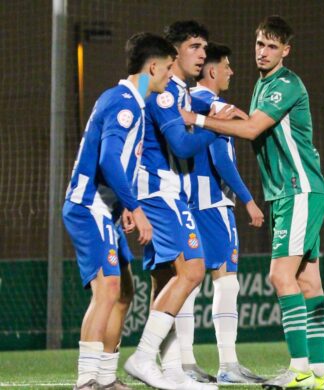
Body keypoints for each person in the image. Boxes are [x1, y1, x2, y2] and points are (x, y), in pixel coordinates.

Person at [179, 15, 324, 390]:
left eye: (272, 46)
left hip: (299, 190)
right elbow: (256, 122)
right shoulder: (263, 87)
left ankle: (298, 369)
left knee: (280, 276)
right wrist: (237, 115)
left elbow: (250, 131)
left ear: (286, 51)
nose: (263, 52)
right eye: (260, 44)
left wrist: (198, 120)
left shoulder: (285, 83)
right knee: (308, 283)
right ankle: (320, 374)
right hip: (286, 194)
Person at [63, 32, 174, 390]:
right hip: (88, 207)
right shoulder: (124, 102)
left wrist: (123, 207)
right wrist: (135, 207)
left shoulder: (129, 102)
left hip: (105, 210)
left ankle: (107, 379)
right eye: (169, 68)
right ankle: (86, 380)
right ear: (153, 66)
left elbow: (116, 162)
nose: (171, 76)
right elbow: (110, 159)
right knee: (108, 290)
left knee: (124, 291)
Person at [123, 20, 220, 390]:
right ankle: (144, 357)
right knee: (192, 272)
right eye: (195, 46)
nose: (202, 54)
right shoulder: (164, 95)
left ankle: (174, 372)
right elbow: (180, 147)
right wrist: (215, 125)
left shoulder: (176, 93)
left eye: (204, 47)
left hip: (156, 193)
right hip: (160, 193)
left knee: (166, 280)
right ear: (173, 53)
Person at [173, 42, 265, 385]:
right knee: (227, 281)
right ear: (212, 71)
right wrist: (249, 200)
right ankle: (228, 363)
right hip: (213, 204)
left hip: (185, 203)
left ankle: (185, 362)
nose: (231, 72)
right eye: (226, 66)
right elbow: (222, 159)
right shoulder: (214, 106)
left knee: (190, 281)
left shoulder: (186, 100)